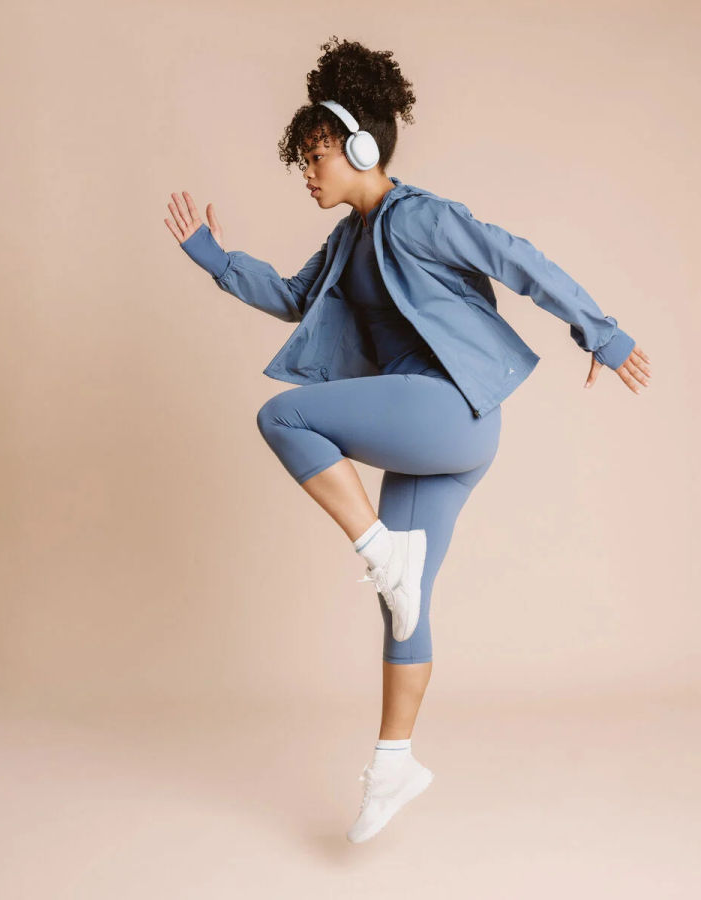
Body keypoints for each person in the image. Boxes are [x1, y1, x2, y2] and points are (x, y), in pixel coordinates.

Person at [163, 36, 651, 844]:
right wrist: (215, 260)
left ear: (361, 148)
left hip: (450, 409)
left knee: (285, 417)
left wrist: (601, 332)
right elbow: (292, 297)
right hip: (438, 436)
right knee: (403, 606)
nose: (307, 171)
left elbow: (516, 258)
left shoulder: (419, 216)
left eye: (317, 155)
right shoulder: (346, 242)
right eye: (302, 160)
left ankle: (381, 550)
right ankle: (394, 765)